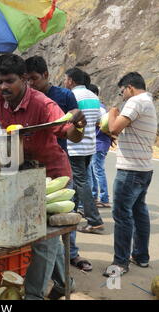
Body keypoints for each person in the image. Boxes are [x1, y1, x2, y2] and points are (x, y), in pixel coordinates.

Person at [0, 53, 87, 300]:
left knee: (41, 239)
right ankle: (65, 284)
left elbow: (70, 133)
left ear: (24, 79)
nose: (3, 87)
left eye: (9, 81)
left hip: (52, 177)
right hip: (24, 176)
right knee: (48, 237)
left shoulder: (43, 104)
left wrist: (79, 125)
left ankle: (33, 295)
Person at [26, 56, 92, 272]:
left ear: (46, 75)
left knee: (64, 214)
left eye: (34, 79)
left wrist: (77, 121)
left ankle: (71, 254)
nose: (31, 84)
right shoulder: (25, 98)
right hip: (32, 166)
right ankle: (46, 262)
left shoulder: (64, 95)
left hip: (58, 163)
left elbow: (75, 126)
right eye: (27, 80)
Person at [104, 72, 157, 276]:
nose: (122, 96)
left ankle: (120, 263)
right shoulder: (148, 102)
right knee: (138, 211)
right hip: (144, 168)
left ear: (130, 87)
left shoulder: (135, 101)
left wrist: (112, 112)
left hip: (130, 170)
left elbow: (114, 128)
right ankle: (141, 257)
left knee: (122, 215)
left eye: (122, 91)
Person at [63, 67, 105, 233]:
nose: (64, 82)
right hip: (89, 146)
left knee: (81, 182)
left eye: (66, 79)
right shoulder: (94, 96)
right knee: (81, 181)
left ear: (71, 81)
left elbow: (67, 120)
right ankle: (74, 212)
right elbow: (99, 121)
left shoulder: (72, 96)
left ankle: (94, 220)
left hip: (75, 146)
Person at [87, 84, 111, 208]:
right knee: (93, 170)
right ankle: (95, 196)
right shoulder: (100, 107)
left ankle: (104, 198)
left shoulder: (99, 108)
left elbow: (103, 126)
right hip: (98, 144)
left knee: (98, 171)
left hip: (99, 144)